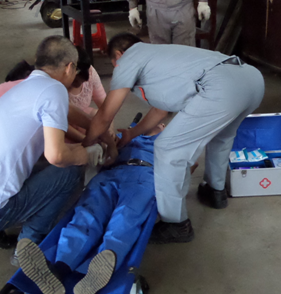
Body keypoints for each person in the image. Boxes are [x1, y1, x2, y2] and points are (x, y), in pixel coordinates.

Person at [84, 33, 265, 243]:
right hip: (251, 80)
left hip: (221, 87)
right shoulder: (160, 56)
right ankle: (215, 191)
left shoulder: (129, 58)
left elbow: (105, 114)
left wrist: (86, 145)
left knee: (168, 149)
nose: (117, 69)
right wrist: (132, 133)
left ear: (118, 54)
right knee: (222, 137)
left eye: (114, 64)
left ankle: (176, 224)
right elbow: (161, 110)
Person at [0, 36, 106, 257]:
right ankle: (29, 246)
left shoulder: (25, 85)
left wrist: (93, 130)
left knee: (45, 166)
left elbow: (69, 114)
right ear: (69, 67)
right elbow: (57, 156)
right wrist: (88, 154)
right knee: (70, 170)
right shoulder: (55, 90)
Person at [17, 124, 164, 294]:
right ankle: (59, 270)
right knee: (86, 216)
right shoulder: (124, 135)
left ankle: (99, 272)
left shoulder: (169, 139)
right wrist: (111, 144)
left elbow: (184, 167)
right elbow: (102, 150)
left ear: (163, 125)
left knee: (125, 219)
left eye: (157, 123)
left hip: (145, 175)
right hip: (110, 173)